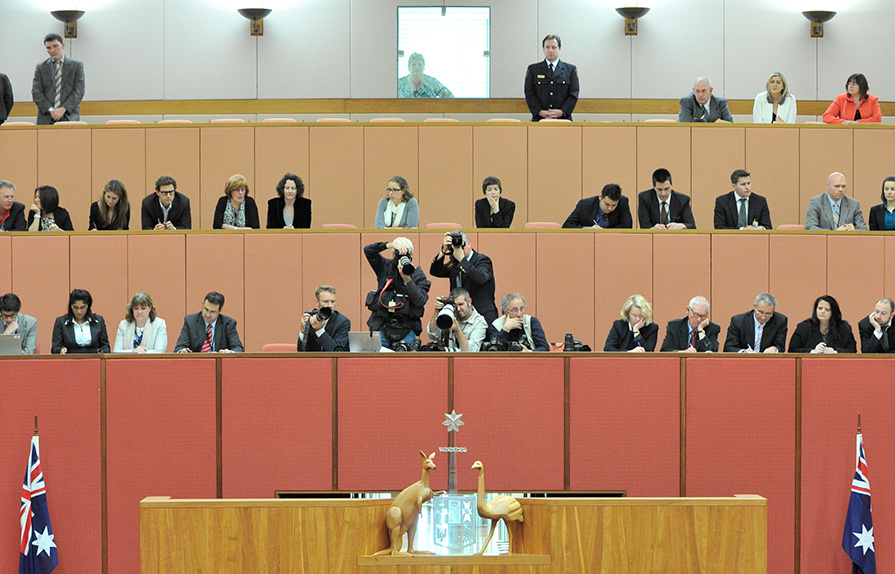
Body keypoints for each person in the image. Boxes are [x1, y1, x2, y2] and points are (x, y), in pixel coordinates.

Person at [364, 237, 430, 349]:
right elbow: (368, 250)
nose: (402, 258)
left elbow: (421, 300)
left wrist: (407, 280)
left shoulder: (418, 275)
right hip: (382, 327)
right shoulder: (384, 266)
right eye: (399, 254)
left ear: (411, 257)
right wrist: (390, 245)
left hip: (406, 329)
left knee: (404, 365)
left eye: (406, 255)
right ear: (394, 255)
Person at [429, 230, 498, 326]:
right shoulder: (455, 262)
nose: (459, 249)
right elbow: (435, 271)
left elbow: (480, 278)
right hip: (461, 314)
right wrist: (443, 251)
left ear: (469, 244)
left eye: (462, 245)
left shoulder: (483, 260)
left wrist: (462, 260)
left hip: (482, 315)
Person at [31, 33, 85, 125]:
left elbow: (79, 91)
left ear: (62, 45)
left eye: (55, 46)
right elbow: (36, 92)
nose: (52, 50)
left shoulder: (76, 65)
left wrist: (63, 109)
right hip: (46, 117)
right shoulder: (41, 67)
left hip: (69, 116)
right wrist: (52, 110)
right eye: (49, 48)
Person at [524, 34, 579, 122]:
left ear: (559, 49)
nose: (550, 50)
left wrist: (562, 111)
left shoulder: (570, 70)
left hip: (563, 119)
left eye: (554, 47)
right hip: (540, 119)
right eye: (547, 47)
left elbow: (573, 94)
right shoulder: (533, 69)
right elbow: (529, 93)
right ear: (543, 49)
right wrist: (539, 111)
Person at [174, 291, 243, 353]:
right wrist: (182, 351)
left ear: (220, 310)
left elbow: (238, 349)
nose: (208, 315)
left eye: (212, 312)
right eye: (206, 309)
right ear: (202, 304)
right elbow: (179, 348)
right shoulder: (190, 322)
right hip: (196, 364)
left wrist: (229, 352)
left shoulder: (228, 324)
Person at [426, 287, 488, 352]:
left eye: (461, 304)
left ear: (469, 302)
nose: (458, 309)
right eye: (455, 305)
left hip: (465, 361)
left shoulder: (479, 322)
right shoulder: (449, 314)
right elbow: (432, 335)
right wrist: (437, 311)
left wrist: (457, 330)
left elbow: (471, 351)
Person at [788, 295, 856, 354]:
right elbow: (792, 350)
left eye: (827, 309)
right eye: (820, 308)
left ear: (833, 312)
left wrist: (835, 352)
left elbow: (852, 350)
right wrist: (812, 351)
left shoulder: (843, 328)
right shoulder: (803, 327)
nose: (822, 312)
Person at [723, 292, 788, 353]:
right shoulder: (738, 321)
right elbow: (729, 347)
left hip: (768, 361)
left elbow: (780, 346)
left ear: (773, 310)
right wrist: (743, 352)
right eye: (761, 312)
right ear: (754, 307)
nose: (764, 317)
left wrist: (774, 349)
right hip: (743, 361)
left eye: (768, 314)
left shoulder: (780, 321)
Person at [51, 289, 110, 354]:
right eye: (75, 307)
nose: (79, 312)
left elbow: (105, 346)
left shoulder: (98, 321)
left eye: (82, 308)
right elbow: (55, 348)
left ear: (88, 306)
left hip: (94, 359)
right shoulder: (61, 322)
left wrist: (101, 352)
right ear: (71, 307)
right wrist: (60, 350)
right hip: (70, 360)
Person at [298, 285, 351, 352]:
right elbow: (301, 351)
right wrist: (303, 332)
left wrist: (319, 330)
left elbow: (337, 351)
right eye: (326, 301)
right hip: (314, 361)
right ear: (317, 302)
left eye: (333, 301)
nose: (330, 305)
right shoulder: (311, 318)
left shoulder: (342, 322)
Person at [562, 183, 633, 229]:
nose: (610, 208)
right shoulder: (584, 205)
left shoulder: (623, 202)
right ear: (600, 197)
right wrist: (587, 229)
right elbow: (567, 226)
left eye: (614, 205)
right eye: (607, 204)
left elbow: (627, 226)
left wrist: (605, 232)